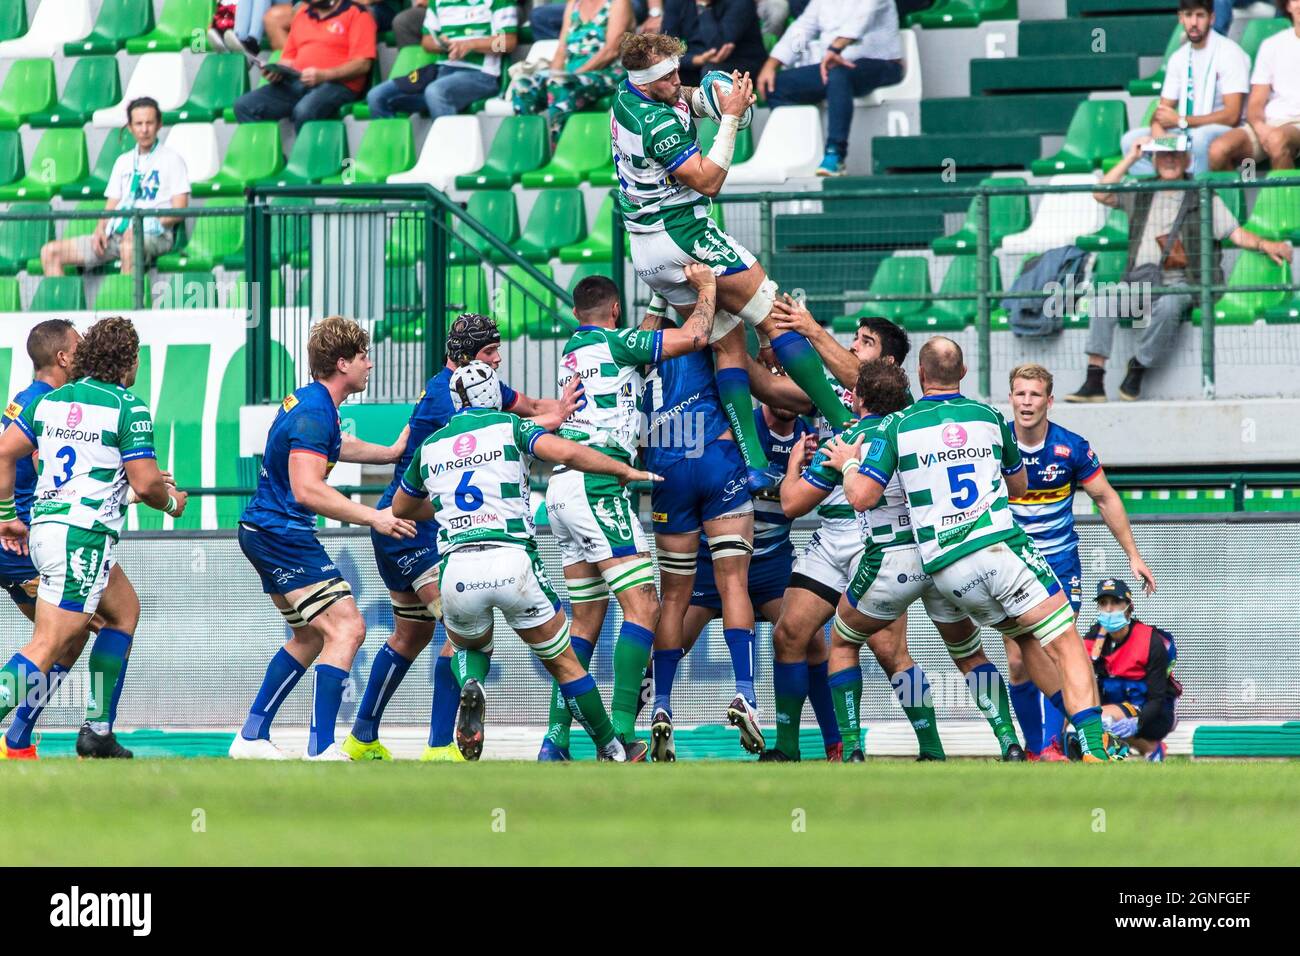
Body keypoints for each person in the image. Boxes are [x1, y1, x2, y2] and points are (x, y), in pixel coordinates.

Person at [844, 337, 1121, 761]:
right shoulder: (990, 418)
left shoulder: (890, 428)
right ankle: (1082, 746)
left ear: (921, 376)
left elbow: (830, 497)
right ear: (964, 373)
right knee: (1053, 642)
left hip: (933, 565)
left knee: (880, 651)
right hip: (991, 550)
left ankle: (875, 747)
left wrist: (845, 461)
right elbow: (1019, 487)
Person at [612, 32, 853, 497]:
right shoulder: (655, 123)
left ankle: (756, 463)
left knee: (725, 341)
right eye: (669, 75)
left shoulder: (628, 95)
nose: (677, 80)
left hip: (646, 250)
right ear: (648, 81)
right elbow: (708, 183)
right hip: (684, 232)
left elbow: (681, 95)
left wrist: (719, 96)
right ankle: (843, 423)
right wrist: (731, 119)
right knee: (777, 313)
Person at [341, 313, 581, 762]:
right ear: (467, 357)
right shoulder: (443, 398)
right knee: (458, 636)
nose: (498, 358)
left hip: (408, 524)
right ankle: (440, 747)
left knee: (409, 635)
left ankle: (362, 737)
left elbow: (526, 407)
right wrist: (551, 429)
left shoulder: (473, 382)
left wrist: (561, 410)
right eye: (491, 352)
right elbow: (509, 432)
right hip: (409, 527)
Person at [392, 361, 659, 762]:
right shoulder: (510, 427)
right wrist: (622, 468)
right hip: (511, 560)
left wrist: (446, 509)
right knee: (566, 664)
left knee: (469, 646)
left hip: (457, 569)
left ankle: (473, 683)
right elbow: (566, 451)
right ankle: (612, 748)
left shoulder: (432, 445)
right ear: (494, 395)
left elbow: (401, 506)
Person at [792, 360, 1026, 763]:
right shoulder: (914, 427)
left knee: (845, 642)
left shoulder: (849, 440)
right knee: (969, 654)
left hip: (889, 560)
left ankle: (851, 749)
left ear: (858, 398)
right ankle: (1006, 741)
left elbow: (792, 504)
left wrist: (797, 466)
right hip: (939, 558)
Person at [540, 270, 717, 760]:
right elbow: (695, 335)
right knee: (643, 606)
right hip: (599, 484)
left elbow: (635, 346)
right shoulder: (619, 343)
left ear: (580, 313)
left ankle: (555, 738)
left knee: (585, 621)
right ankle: (618, 729)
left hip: (560, 486)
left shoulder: (577, 348)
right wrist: (705, 289)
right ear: (614, 312)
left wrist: (659, 299)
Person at [229, 316, 416, 761]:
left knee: (312, 636)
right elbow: (307, 489)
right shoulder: (315, 411)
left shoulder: (314, 404)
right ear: (341, 363)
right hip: (281, 535)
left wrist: (389, 452)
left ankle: (251, 736)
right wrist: (376, 517)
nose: (370, 364)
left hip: (266, 532)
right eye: (363, 356)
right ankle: (321, 747)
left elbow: (334, 445)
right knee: (348, 626)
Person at [0, 317, 187, 759]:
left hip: (44, 529)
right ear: (130, 360)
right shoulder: (128, 406)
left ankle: (96, 732)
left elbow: (12, 453)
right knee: (50, 644)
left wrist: (7, 514)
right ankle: (26, 737)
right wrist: (172, 502)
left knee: (122, 612)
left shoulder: (50, 401)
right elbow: (145, 485)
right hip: (78, 538)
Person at [669, 396, 836, 761]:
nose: (787, 397)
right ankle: (624, 735)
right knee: (671, 643)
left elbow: (807, 499)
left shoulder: (812, 439)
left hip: (771, 562)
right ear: (763, 386)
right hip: (715, 558)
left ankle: (833, 747)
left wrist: (805, 473)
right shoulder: (738, 430)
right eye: (775, 378)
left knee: (809, 642)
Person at [1065, 135, 1292, 403]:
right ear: (1154, 160)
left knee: (1170, 306)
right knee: (1104, 303)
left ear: (1187, 159)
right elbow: (1100, 193)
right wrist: (1131, 157)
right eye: (1163, 155)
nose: (1170, 160)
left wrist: (1267, 244)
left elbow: (1236, 234)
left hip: (1184, 281)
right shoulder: (1141, 190)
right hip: (1141, 280)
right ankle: (1094, 381)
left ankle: (1138, 365)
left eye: (1175, 155)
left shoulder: (1202, 195)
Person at [1006, 363, 1157, 760]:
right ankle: (1037, 745)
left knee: (1061, 650)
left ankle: (1056, 745)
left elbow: (1105, 497)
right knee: (1019, 661)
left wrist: (1133, 555)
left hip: (1059, 565)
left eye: (1035, 394)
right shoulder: (996, 443)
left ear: (1049, 401)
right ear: (1011, 398)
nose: (1027, 402)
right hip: (1010, 566)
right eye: (1020, 394)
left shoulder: (1070, 446)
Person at [40, 99, 189, 278]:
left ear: (159, 125)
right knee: (51, 252)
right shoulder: (123, 162)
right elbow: (111, 206)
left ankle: (127, 305)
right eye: (138, 124)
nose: (144, 129)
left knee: (130, 244)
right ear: (130, 127)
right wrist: (100, 229)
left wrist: (144, 223)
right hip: (115, 235)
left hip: (154, 235)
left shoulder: (172, 160)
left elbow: (180, 209)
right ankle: (61, 307)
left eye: (149, 123)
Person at [757, 0, 903, 176]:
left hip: (882, 63)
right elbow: (802, 28)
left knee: (839, 72)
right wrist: (772, 64)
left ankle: (835, 155)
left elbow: (860, 20)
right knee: (776, 86)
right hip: (833, 65)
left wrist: (836, 48)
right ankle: (800, 153)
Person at [1117, 0, 1250, 177]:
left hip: (1222, 130)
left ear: (1211, 18)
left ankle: (1195, 197)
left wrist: (1182, 121)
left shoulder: (1230, 53)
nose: (1194, 23)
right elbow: (1161, 113)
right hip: (1184, 129)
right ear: (1181, 18)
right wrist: (1160, 136)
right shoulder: (1178, 58)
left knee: (1199, 139)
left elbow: (1232, 116)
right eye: (1188, 15)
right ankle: (1157, 193)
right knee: (1130, 141)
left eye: (1200, 16)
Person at [232, 0, 378, 131]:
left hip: (338, 85)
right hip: (298, 81)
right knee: (244, 106)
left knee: (304, 111)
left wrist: (324, 75)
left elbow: (362, 65)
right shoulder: (302, 14)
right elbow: (289, 58)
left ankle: (305, 160)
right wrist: (277, 70)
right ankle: (272, 159)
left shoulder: (358, 13)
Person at [1081, 578, 1181, 762]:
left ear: (1129, 606)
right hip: (1113, 704)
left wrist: (1138, 723)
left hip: (1153, 711)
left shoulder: (1150, 641)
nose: (1109, 609)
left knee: (1099, 719)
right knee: (1077, 708)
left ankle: (1110, 752)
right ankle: (1151, 750)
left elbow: (1157, 698)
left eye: (1116, 602)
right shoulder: (1093, 639)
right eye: (1103, 603)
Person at [366, 0, 518, 120]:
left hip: (481, 75)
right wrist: (444, 45)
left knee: (436, 92)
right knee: (377, 96)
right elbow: (427, 42)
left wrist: (471, 45)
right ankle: (393, 156)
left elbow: (508, 43)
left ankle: (449, 156)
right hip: (440, 70)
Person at [513, 0, 634, 144]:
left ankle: (559, 149)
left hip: (607, 72)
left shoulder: (619, 3)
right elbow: (561, 50)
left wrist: (573, 75)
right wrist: (552, 75)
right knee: (523, 85)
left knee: (560, 85)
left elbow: (611, 51)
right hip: (572, 75)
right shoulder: (574, 4)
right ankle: (530, 150)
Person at [1207, 0, 1300, 173]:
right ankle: (1237, 199)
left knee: (1277, 141)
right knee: (1218, 150)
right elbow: (1256, 102)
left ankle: (1287, 200)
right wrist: (1260, 127)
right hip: (1268, 125)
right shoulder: (1271, 45)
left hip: (1295, 126)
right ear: (1287, 5)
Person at [661, 0, 767, 87]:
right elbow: (665, 49)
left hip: (740, 61)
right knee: (666, 71)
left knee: (712, 73)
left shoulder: (740, 3)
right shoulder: (676, 3)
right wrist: (696, 60)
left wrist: (703, 7)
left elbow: (716, 47)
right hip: (696, 60)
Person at [264, 0, 400, 49]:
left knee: (346, 14)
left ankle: (339, 82)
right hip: (321, 4)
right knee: (275, 18)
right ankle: (293, 73)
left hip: (376, 7)